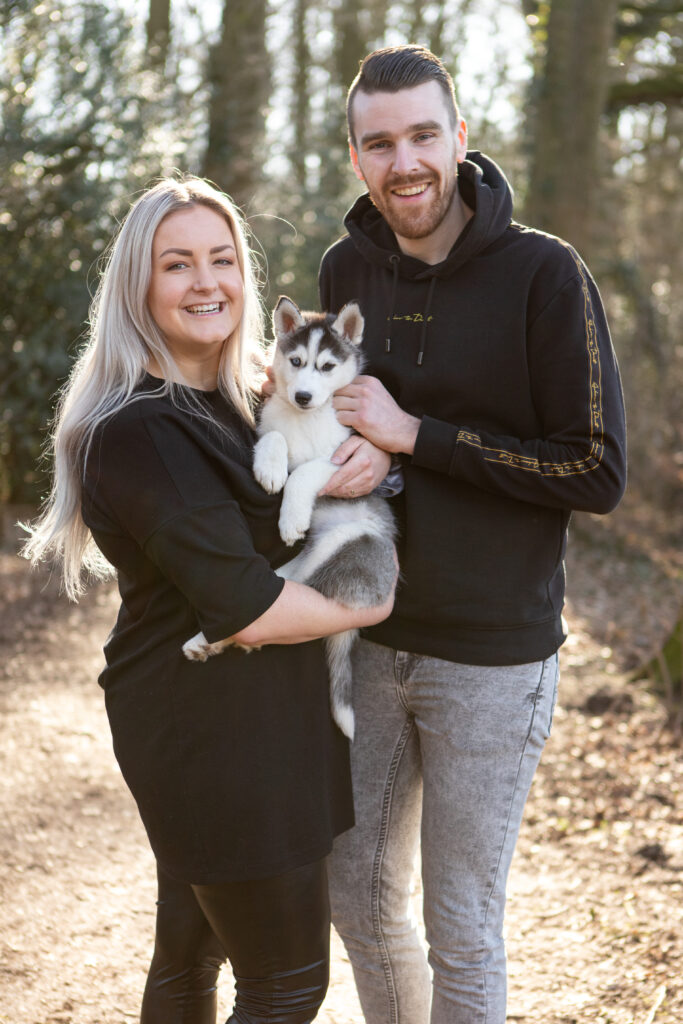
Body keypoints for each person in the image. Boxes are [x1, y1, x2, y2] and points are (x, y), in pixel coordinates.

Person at [22, 175, 397, 1024]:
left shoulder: (237, 406)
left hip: (251, 720)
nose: (206, 282)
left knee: (189, 961)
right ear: (139, 288)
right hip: (215, 736)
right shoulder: (139, 427)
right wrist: (369, 604)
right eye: (177, 264)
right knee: (286, 985)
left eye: (222, 260)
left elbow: (336, 477)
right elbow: (248, 607)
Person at [316, 45, 627, 1024]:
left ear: (458, 136)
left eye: (419, 135)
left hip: (491, 656)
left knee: (459, 924)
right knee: (359, 898)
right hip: (367, 634)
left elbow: (592, 468)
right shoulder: (343, 268)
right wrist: (353, 452)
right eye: (378, 142)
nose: (401, 161)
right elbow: (336, 421)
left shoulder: (543, 273)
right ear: (356, 156)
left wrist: (417, 438)